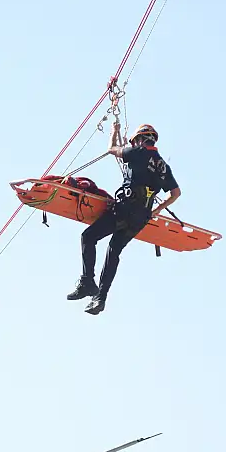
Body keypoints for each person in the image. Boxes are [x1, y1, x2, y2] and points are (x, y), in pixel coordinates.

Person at [67, 120, 182, 316]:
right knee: (113, 251)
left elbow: (113, 149)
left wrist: (115, 131)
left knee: (88, 237)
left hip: (124, 209)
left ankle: (87, 282)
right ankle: (100, 299)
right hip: (141, 217)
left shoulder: (139, 153)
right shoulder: (162, 165)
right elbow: (176, 193)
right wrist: (156, 211)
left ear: (139, 140)